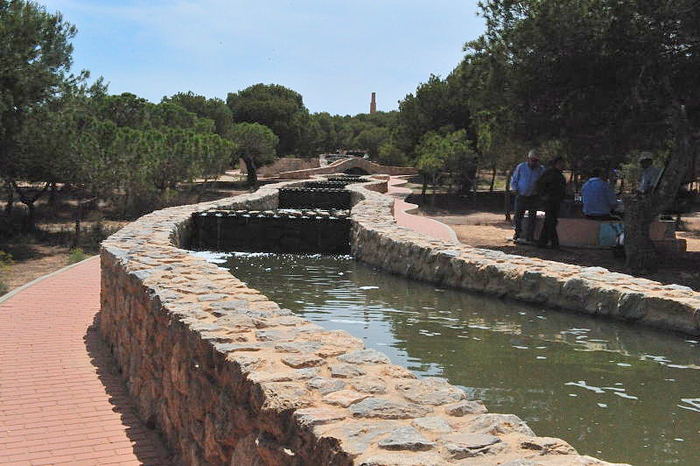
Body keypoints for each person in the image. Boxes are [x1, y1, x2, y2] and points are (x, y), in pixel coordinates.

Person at [510, 150, 545, 243]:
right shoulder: (521, 167)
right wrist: (514, 188)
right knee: (518, 216)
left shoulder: (541, 169)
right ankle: (517, 233)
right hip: (521, 195)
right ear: (528, 159)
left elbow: (543, 182)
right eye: (532, 160)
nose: (534, 162)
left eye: (536, 161)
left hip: (534, 196)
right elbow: (514, 179)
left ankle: (530, 236)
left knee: (532, 217)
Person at [536, 156, 566, 248]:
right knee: (551, 221)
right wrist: (543, 196)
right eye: (560, 163)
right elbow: (540, 185)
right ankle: (552, 243)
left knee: (550, 222)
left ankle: (545, 242)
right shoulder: (549, 173)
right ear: (556, 163)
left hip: (556, 202)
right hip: (549, 201)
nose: (562, 165)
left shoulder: (560, 175)